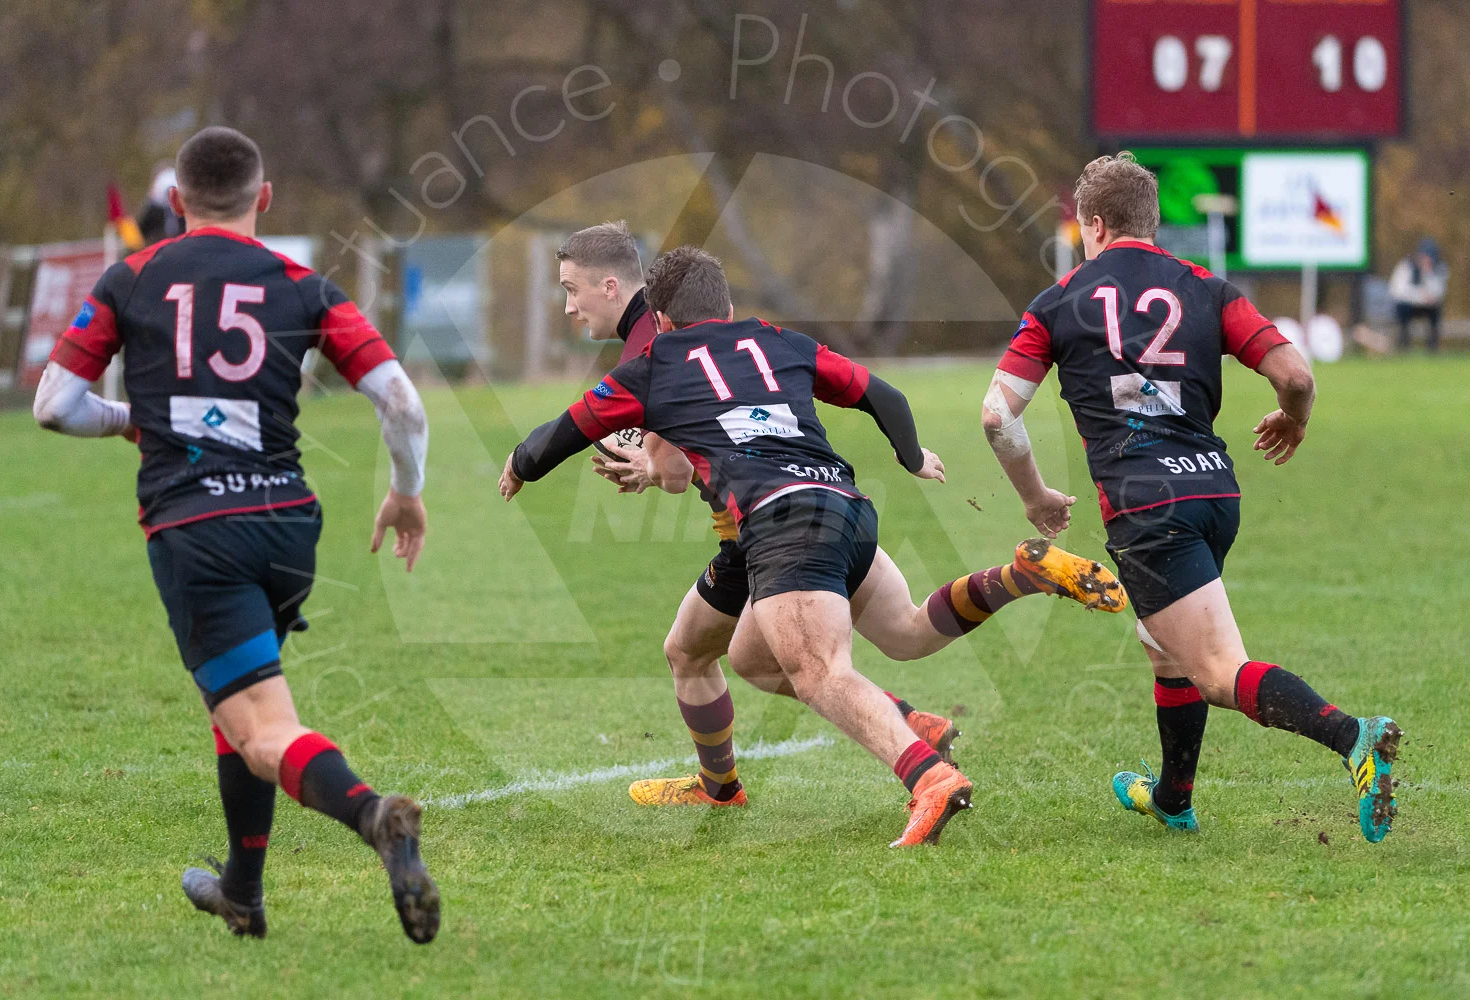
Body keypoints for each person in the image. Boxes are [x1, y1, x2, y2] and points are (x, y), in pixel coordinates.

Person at [502, 246, 1126, 846]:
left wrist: (521, 463)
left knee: (819, 674)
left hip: (783, 523)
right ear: (726, 306)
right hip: (844, 506)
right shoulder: (780, 340)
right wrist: (912, 457)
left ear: (661, 319)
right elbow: (884, 395)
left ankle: (930, 778)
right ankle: (1019, 577)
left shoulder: (652, 365)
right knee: (851, 641)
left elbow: (569, 428)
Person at [32, 126, 440, 940]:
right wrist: (406, 493)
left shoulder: (132, 276)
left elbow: (53, 405)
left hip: (198, 527)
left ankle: (374, 817)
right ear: (265, 198)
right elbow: (401, 402)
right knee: (242, 699)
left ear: (174, 200)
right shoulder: (304, 286)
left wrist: (131, 420)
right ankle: (242, 895)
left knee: (263, 728)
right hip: (288, 524)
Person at [981, 152, 1402, 841]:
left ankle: (1355, 736)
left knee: (1216, 671)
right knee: (1162, 642)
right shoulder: (1208, 288)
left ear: (1095, 225)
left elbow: (998, 416)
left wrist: (1035, 497)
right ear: (1150, 222)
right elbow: (1295, 377)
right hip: (1213, 490)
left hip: (1148, 505)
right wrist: (1294, 418)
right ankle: (1173, 799)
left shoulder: (1058, 302)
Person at [555, 223, 963, 807]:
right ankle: (731, 783)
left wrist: (645, 465)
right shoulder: (711, 335)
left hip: (768, 525)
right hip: (800, 507)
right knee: (717, 652)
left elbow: (675, 473)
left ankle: (907, 752)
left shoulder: (653, 350)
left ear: (612, 287)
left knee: (809, 666)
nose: (569, 307)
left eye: (572, 290)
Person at [1388, 238, 1449, 351]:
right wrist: (1420, 297)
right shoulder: (1406, 265)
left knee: (1436, 310)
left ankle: (1432, 347)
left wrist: (1427, 274)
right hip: (1408, 306)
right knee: (1402, 309)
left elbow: (1439, 292)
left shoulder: (1440, 268)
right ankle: (1404, 345)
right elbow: (1397, 291)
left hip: (1428, 307)